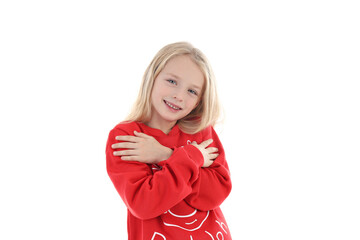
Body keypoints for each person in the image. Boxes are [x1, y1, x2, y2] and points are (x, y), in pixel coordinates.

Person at [106, 42, 232, 240]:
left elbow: (216, 193)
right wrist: (193, 161)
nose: (179, 96)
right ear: (153, 76)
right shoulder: (128, 136)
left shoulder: (200, 129)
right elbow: (144, 204)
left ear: (199, 100)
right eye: (172, 81)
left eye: (192, 91)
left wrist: (166, 155)